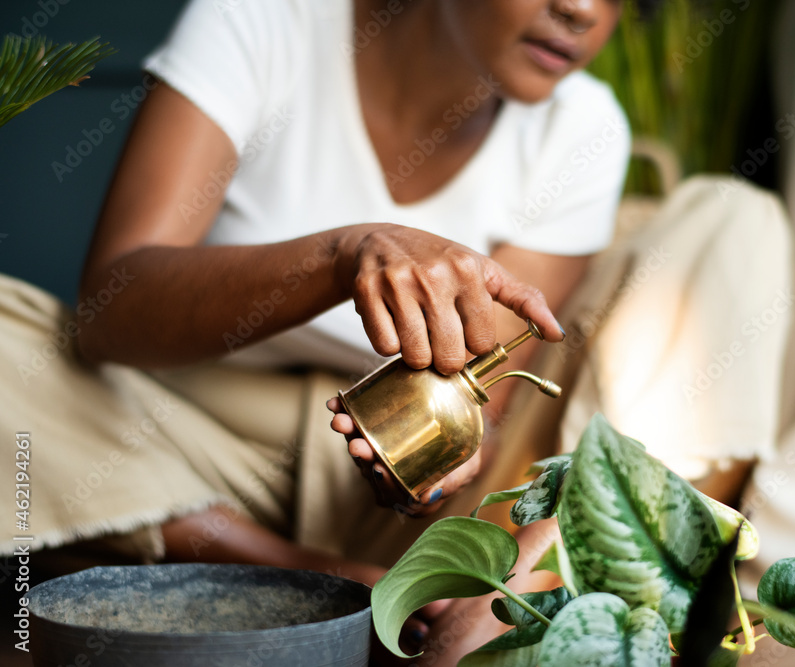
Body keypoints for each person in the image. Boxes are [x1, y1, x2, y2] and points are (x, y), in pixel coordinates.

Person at [0, 0, 658, 661]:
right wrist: (340, 255)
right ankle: (296, 571)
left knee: (728, 218)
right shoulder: (261, 20)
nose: (580, 10)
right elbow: (111, 312)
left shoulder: (584, 126)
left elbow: (474, 414)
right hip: (184, 444)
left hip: (394, 503)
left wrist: (435, 477)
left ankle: (501, 588)